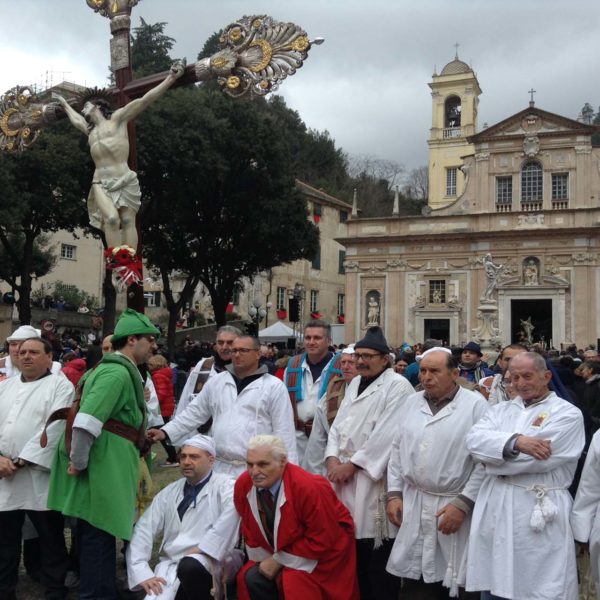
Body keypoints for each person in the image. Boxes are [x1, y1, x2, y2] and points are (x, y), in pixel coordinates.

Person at [47, 309, 159, 600]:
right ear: (132, 340)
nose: (153, 346)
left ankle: (103, 588)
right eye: (149, 339)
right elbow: (86, 422)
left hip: (107, 458)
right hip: (101, 461)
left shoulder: (114, 369)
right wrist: (78, 462)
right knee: (98, 530)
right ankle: (97, 594)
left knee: (99, 529)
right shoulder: (115, 371)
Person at [465, 352, 585, 600]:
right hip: (497, 505)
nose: (520, 383)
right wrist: (516, 442)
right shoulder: (500, 410)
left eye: (527, 376)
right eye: (514, 377)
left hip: (538, 507)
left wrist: (494, 458)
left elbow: (537, 461)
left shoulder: (568, 414)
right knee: (495, 580)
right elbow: (473, 442)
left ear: (546, 376)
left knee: (539, 586)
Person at [385, 348, 487, 599]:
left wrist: (463, 504)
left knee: (454, 580)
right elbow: (397, 449)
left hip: (452, 504)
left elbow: (484, 462)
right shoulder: (411, 402)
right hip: (416, 500)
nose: (426, 377)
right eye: (423, 371)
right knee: (416, 579)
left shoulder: (476, 406)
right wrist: (394, 494)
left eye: (434, 371)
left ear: (454, 373)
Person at [53, 61, 184, 250]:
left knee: (128, 221)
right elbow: (76, 120)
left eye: (86, 105)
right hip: (100, 182)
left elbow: (144, 101)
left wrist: (171, 78)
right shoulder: (90, 131)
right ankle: (115, 262)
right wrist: (64, 104)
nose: (83, 109)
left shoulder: (117, 120)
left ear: (97, 106)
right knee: (112, 219)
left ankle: (128, 265)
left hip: (123, 178)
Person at [325, 326, 414, 600]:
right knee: (351, 555)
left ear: (385, 358)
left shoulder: (398, 386)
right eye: (358, 355)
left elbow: (387, 435)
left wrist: (351, 466)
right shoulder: (353, 383)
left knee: (377, 557)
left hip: (374, 478)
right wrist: (330, 459)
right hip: (342, 477)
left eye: (368, 356)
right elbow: (337, 426)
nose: (361, 361)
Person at [148, 336, 297, 476]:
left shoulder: (273, 386)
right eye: (234, 350)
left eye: (244, 350)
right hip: (219, 467)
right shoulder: (217, 382)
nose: (237, 355)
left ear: (258, 354)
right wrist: (165, 432)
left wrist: (289, 475)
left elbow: (284, 433)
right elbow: (194, 413)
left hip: (256, 469)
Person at [234, 435, 359, 600]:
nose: (254, 472)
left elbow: (323, 537)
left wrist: (278, 560)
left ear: (283, 461)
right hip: (280, 550)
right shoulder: (244, 484)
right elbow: (249, 528)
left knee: (295, 584)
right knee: (251, 578)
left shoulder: (309, 487)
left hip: (324, 554)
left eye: (263, 464)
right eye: (250, 464)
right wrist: (270, 560)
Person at [0, 337, 75, 600]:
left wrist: (20, 461)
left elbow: (55, 426)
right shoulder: (5, 386)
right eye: (21, 353)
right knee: (5, 540)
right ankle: (4, 589)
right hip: (4, 475)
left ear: (48, 357)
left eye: (33, 352)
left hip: (37, 474)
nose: (26, 357)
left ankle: (55, 587)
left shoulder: (60, 386)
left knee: (50, 536)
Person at [126, 435, 242, 600]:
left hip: (213, 561)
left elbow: (232, 517)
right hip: (172, 565)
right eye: (183, 456)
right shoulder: (169, 493)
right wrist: (141, 571)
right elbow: (144, 529)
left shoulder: (227, 486)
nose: (186, 461)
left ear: (211, 460)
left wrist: (204, 547)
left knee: (190, 566)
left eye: (194, 457)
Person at [285, 320, 341, 462]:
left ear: (329, 341)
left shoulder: (341, 368)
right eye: (308, 338)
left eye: (317, 338)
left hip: (327, 442)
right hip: (297, 441)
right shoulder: (292, 366)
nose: (311, 342)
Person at [304, 345, 357, 474]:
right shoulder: (333, 390)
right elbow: (317, 438)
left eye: (351, 362)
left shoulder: (376, 391)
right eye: (343, 362)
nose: (345, 366)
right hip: (333, 462)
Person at [175, 325, 241, 416]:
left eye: (230, 343)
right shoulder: (203, 365)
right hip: (200, 428)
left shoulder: (246, 370)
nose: (224, 347)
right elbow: (185, 399)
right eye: (220, 343)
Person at [148, 354, 179, 467]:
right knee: (162, 433)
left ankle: (172, 458)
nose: (149, 366)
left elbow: (161, 393)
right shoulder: (166, 373)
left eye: (151, 364)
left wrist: (152, 402)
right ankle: (172, 457)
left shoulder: (158, 376)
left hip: (162, 409)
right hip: (167, 407)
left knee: (160, 434)